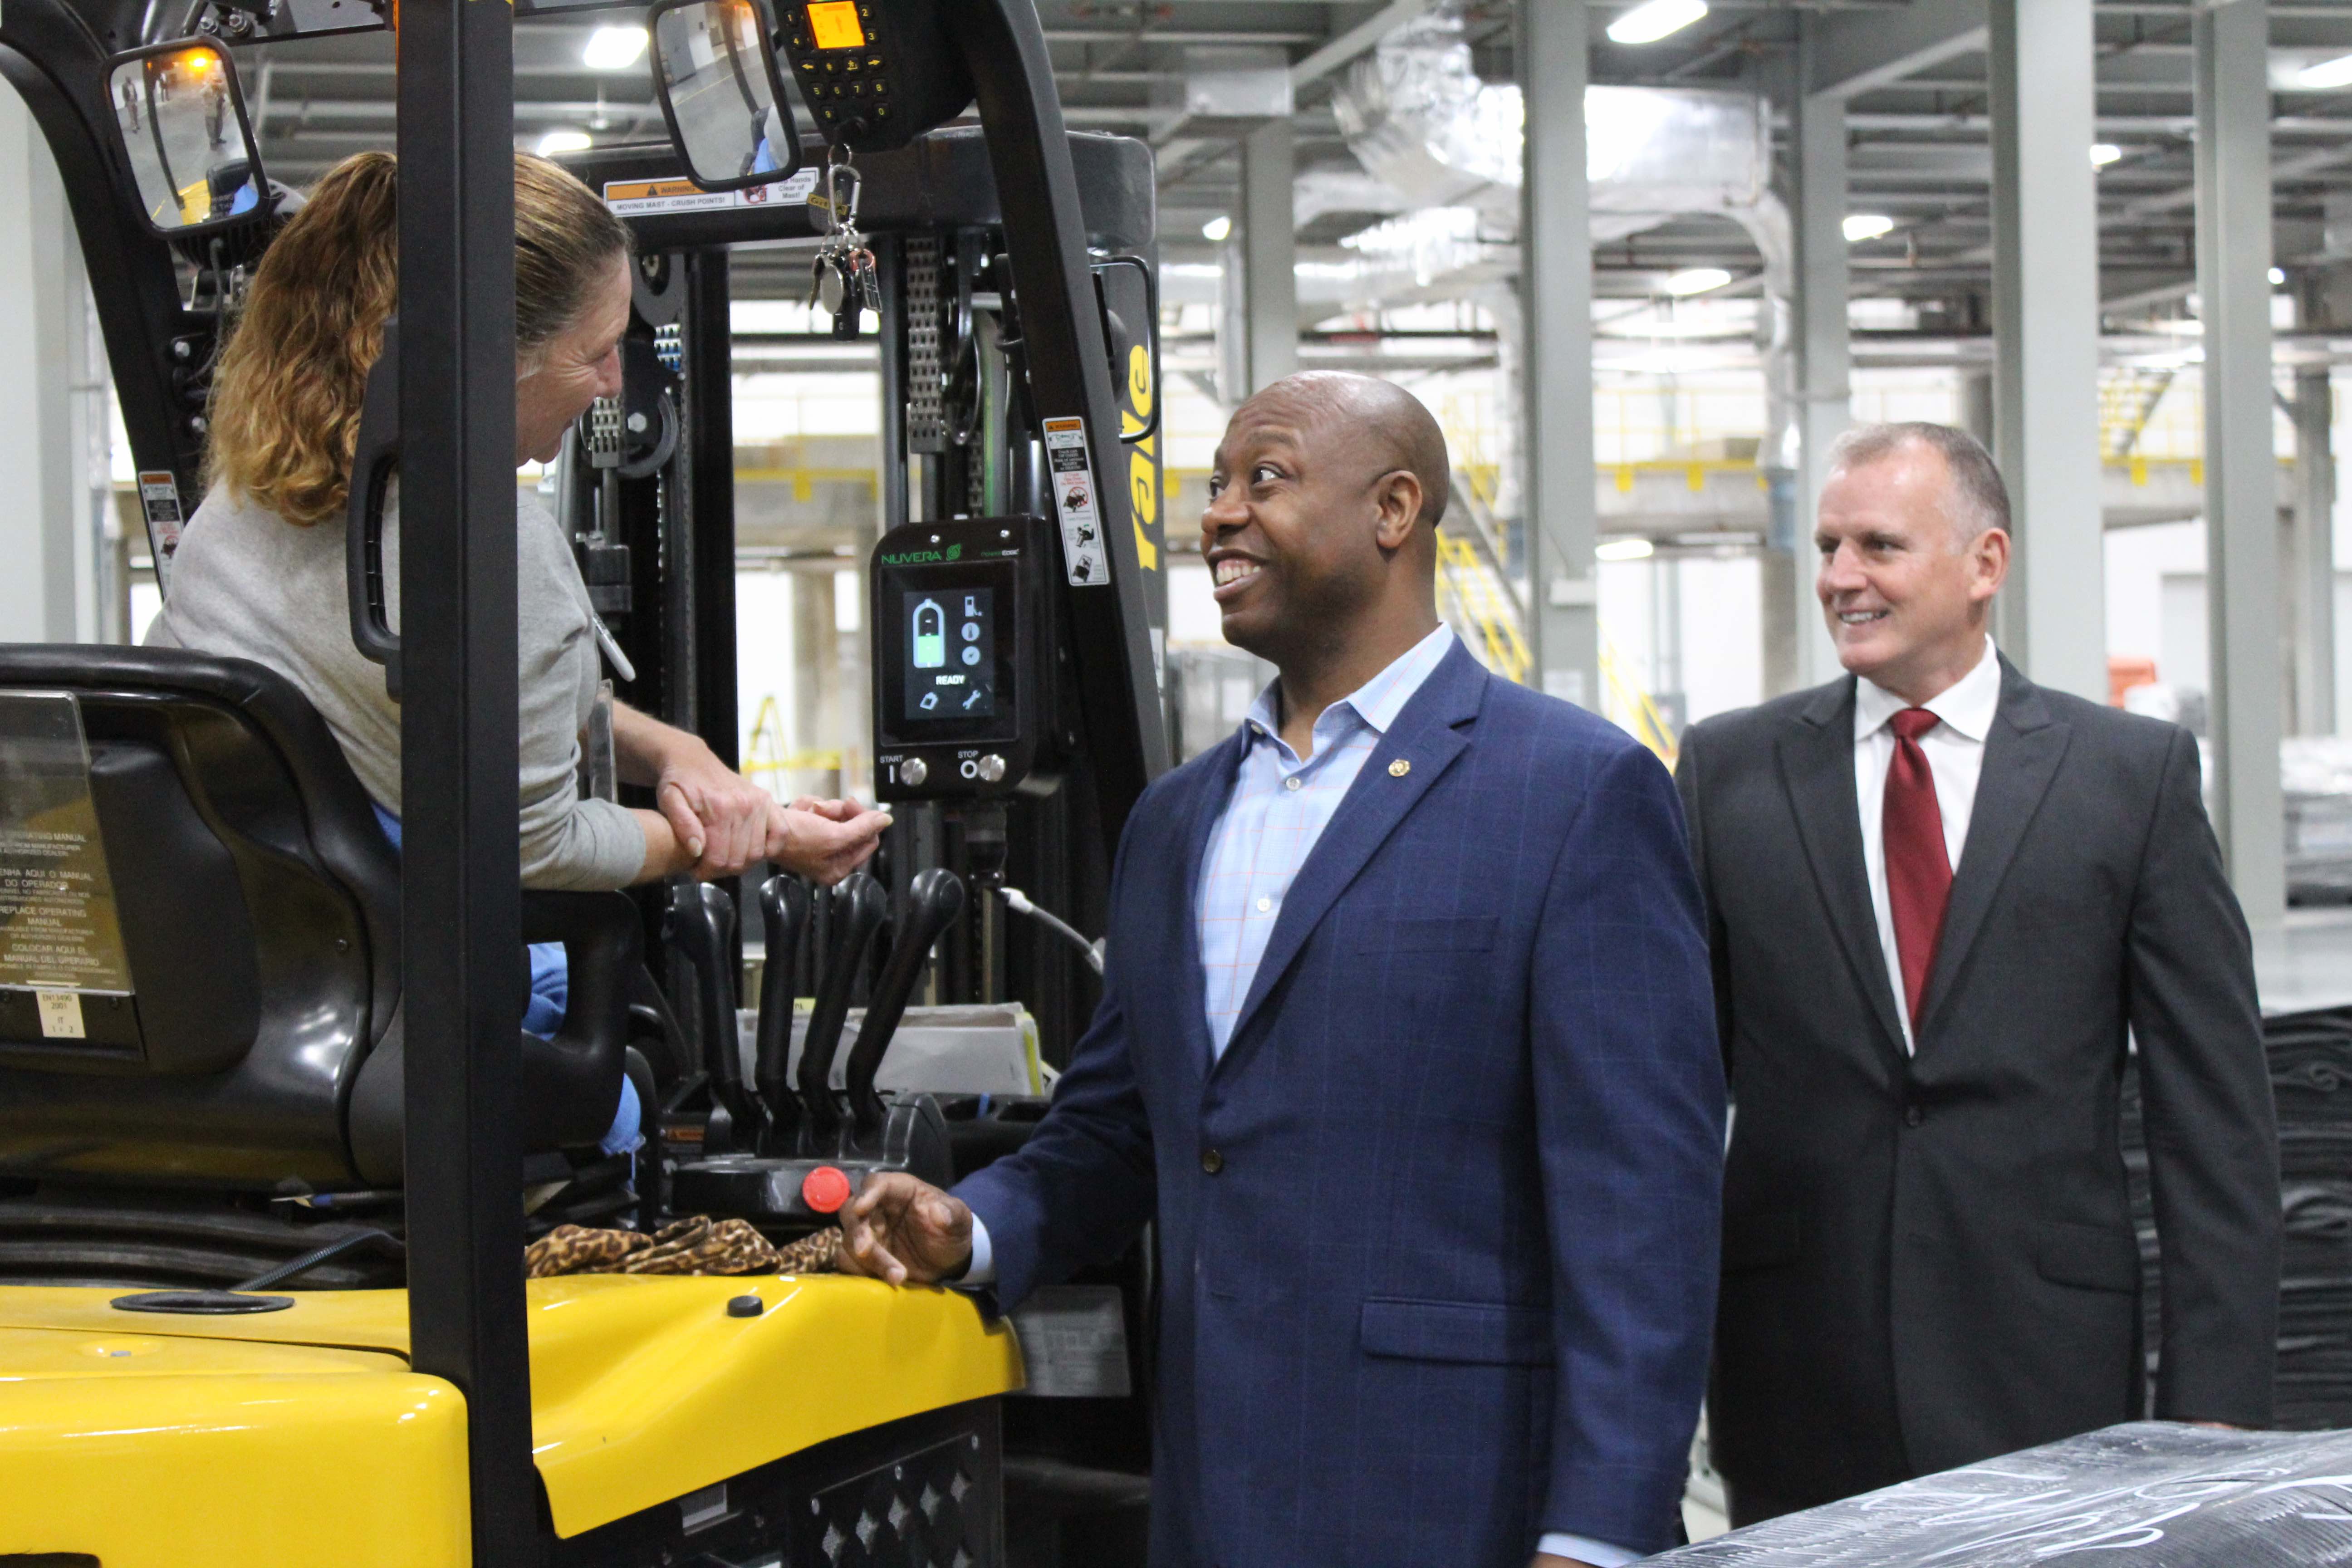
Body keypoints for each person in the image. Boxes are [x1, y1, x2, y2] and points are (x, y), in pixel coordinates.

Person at [835, 372, 1726, 1568]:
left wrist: (1601, 1533)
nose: (1217, 517)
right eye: (1213, 489)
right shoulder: (1175, 820)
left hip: (1461, 1501)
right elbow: (1115, 1130)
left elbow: (1641, 1213)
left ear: (1395, 509)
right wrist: (972, 1228)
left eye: (1267, 480)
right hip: (1220, 1498)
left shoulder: (1574, 792)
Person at [147, 153, 888, 1135]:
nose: (612, 385)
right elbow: (535, 846)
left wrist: (673, 753)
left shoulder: (241, 505)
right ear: (493, 354)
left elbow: (431, 686)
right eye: (596, 353)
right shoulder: (495, 539)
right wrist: (747, 840)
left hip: (240, 998)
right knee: (629, 1092)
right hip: (399, 1017)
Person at [1675, 422, 2281, 1525]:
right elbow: (1669, 1097)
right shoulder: (1730, 773)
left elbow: (2216, 1114)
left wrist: (2218, 1404)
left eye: (1878, 546)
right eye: (1825, 548)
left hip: (2046, 1365)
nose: (1840, 579)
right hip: (1796, 1366)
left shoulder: (2127, 778)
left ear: (1985, 564)